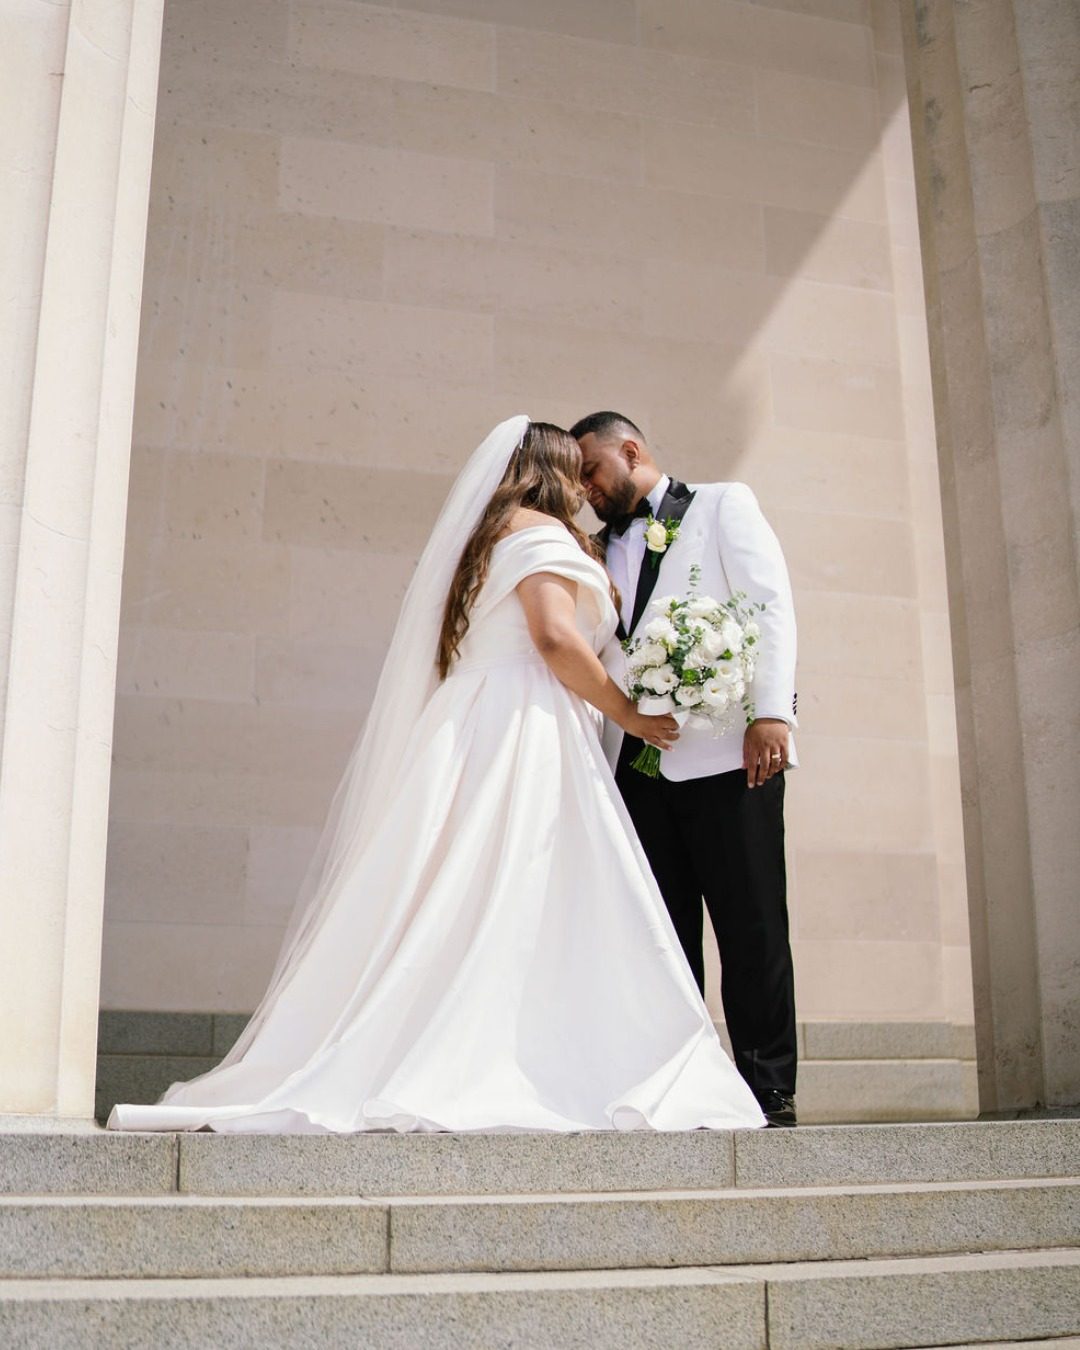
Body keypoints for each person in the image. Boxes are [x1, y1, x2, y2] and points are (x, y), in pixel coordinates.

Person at [107, 417, 765, 1134]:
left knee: (466, 892)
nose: (582, 488)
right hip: (527, 725)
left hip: (478, 721)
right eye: (572, 471)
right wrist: (629, 715)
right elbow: (552, 637)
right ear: (546, 470)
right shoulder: (539, 535)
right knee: (516, 888)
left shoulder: (482, 544)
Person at [571, 411, 799, 1128]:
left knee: (752, 923)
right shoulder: (592, 548)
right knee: (661, 936)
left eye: (591, 472)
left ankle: (769, 1089)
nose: (584, 490)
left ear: (630, 451)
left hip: (732, 756)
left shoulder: (725, 505)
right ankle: (682, 1086)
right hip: (635, 769)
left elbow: (769, 607)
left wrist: (773, 713)